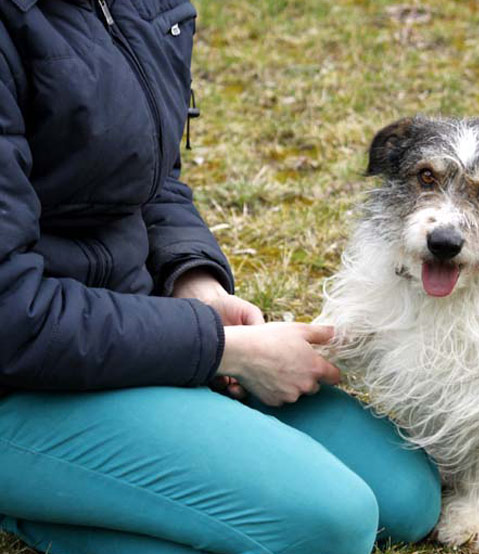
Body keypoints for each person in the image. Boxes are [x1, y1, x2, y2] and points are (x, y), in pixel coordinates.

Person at [0, 1, 441, 553]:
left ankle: (94, 497)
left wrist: (194, 283)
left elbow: (147, 179)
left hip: (124, 329)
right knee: (332, 523)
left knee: (405, 497)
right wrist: (221, 349)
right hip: (22, 376)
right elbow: (11, 316)